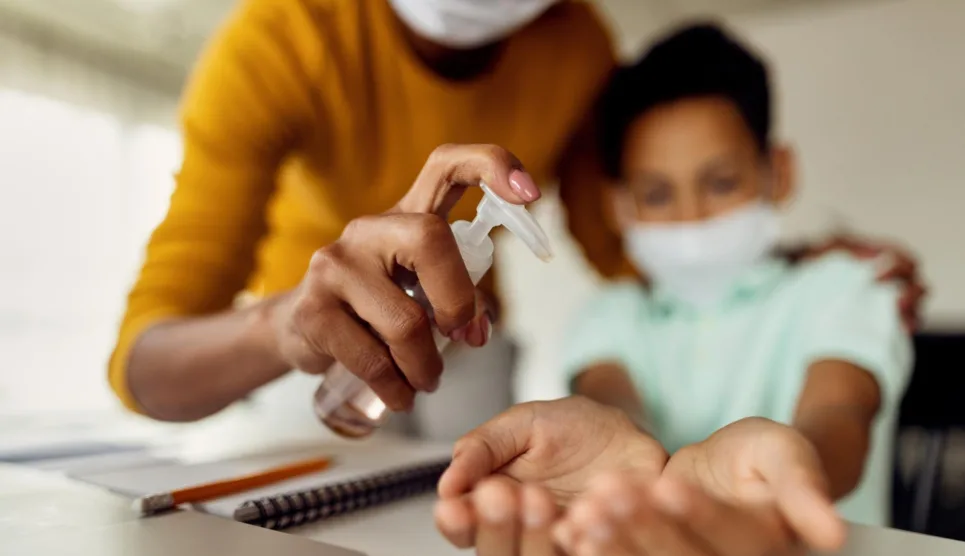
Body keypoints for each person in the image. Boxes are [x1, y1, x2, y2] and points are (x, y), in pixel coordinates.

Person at [109, 0, 923, 443]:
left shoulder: (576, 45)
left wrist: (791, 269)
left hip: (467, 335)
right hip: (306, 341)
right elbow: (146, 365)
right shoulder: (278, 42)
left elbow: (637, 238)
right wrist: (286, 323)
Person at [434, 23, 915, 556]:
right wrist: (618, 475)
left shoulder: (846, 288)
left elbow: (839, 411)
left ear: (778, 173)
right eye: (658, 194)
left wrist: (791, 471)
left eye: (721, 182)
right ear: (617, 206)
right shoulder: (609, 318)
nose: (690, 216)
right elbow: (614, 409)